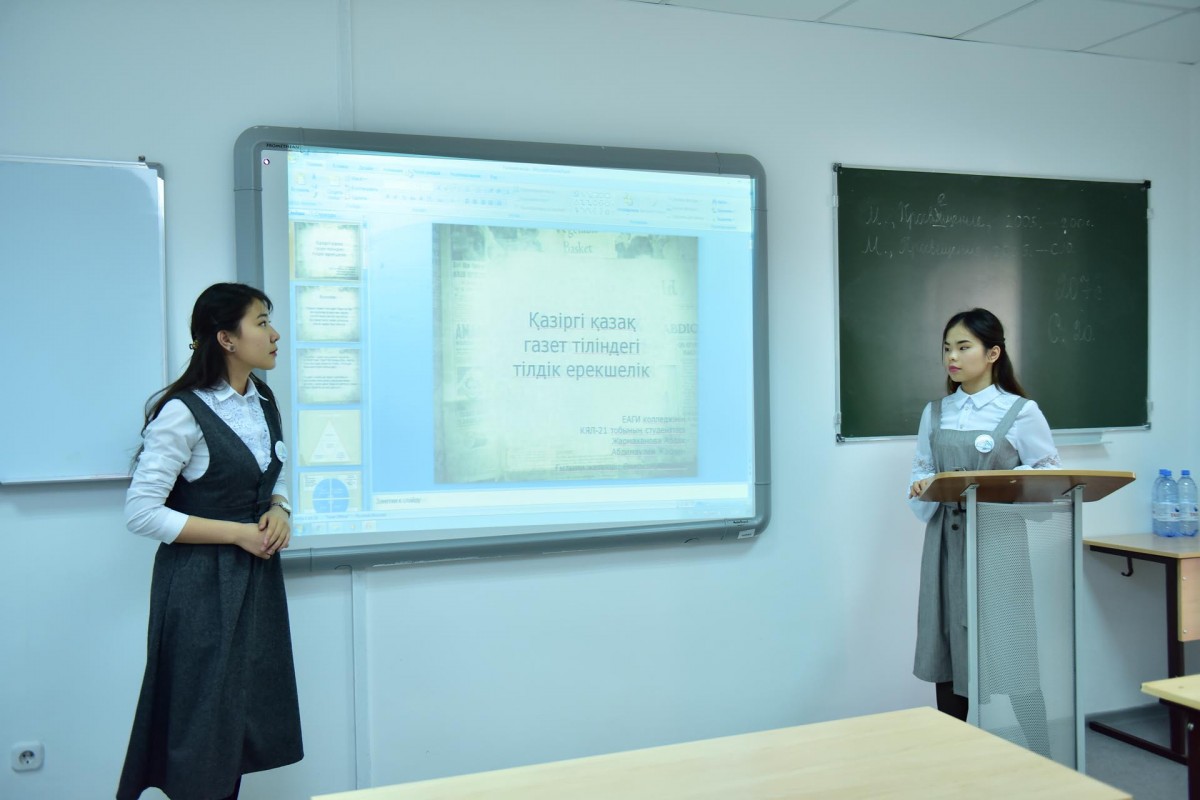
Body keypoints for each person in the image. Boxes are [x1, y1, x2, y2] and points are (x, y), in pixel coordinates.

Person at [117, 283, 303, 800]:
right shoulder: (183, 411)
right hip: (199, 588)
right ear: (225, 338)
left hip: (256, 583)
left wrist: (279, 508)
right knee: (201, 733)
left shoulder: (262, 399)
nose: (275, 334)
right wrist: (239, 534)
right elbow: (141, 513)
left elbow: (275, 473)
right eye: (262, 322)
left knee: (238, 722)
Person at [906, 308, 1060, 755]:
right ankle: (955, 760)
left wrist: (1005, 482)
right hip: (945, 545)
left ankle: (1045, 756)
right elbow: (920, 473)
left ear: (992, 353)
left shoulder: (1021, 411)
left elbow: (1049, 474)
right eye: (947, 348)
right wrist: (922, 487)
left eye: (963, 347)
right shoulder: (936, 412)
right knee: (949, 650)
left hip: (999, 543)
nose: (951, 357)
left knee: (1012, 650)